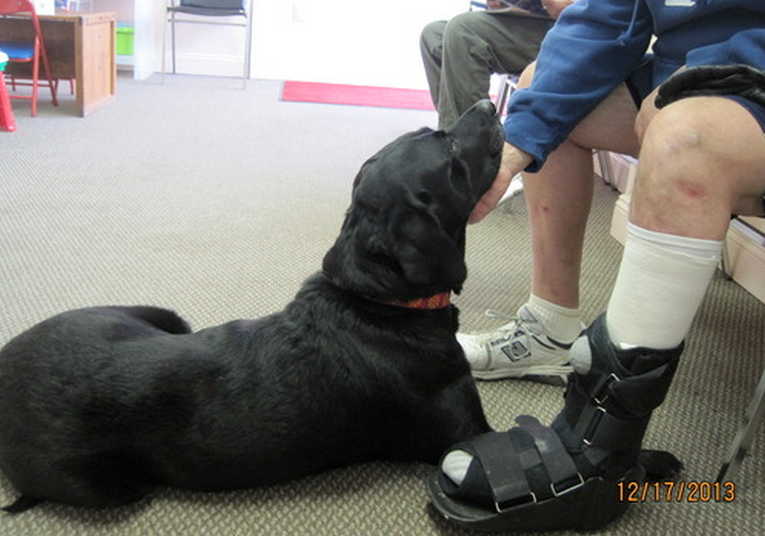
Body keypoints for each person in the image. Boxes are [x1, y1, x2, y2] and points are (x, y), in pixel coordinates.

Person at [427, 0, 765, 531]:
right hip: (683, 74)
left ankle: (604, 453)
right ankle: (551, 328)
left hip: (751, 69)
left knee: (686, 135)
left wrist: (716, 72)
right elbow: (606, 16)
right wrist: (520, 140)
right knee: (549, 93)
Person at [420, 1, 574, 130]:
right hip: (538, 18)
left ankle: (473, 149)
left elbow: (566, 6)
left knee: (463, 31)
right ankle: (457, 139)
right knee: (433, 34)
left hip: (573, 30)